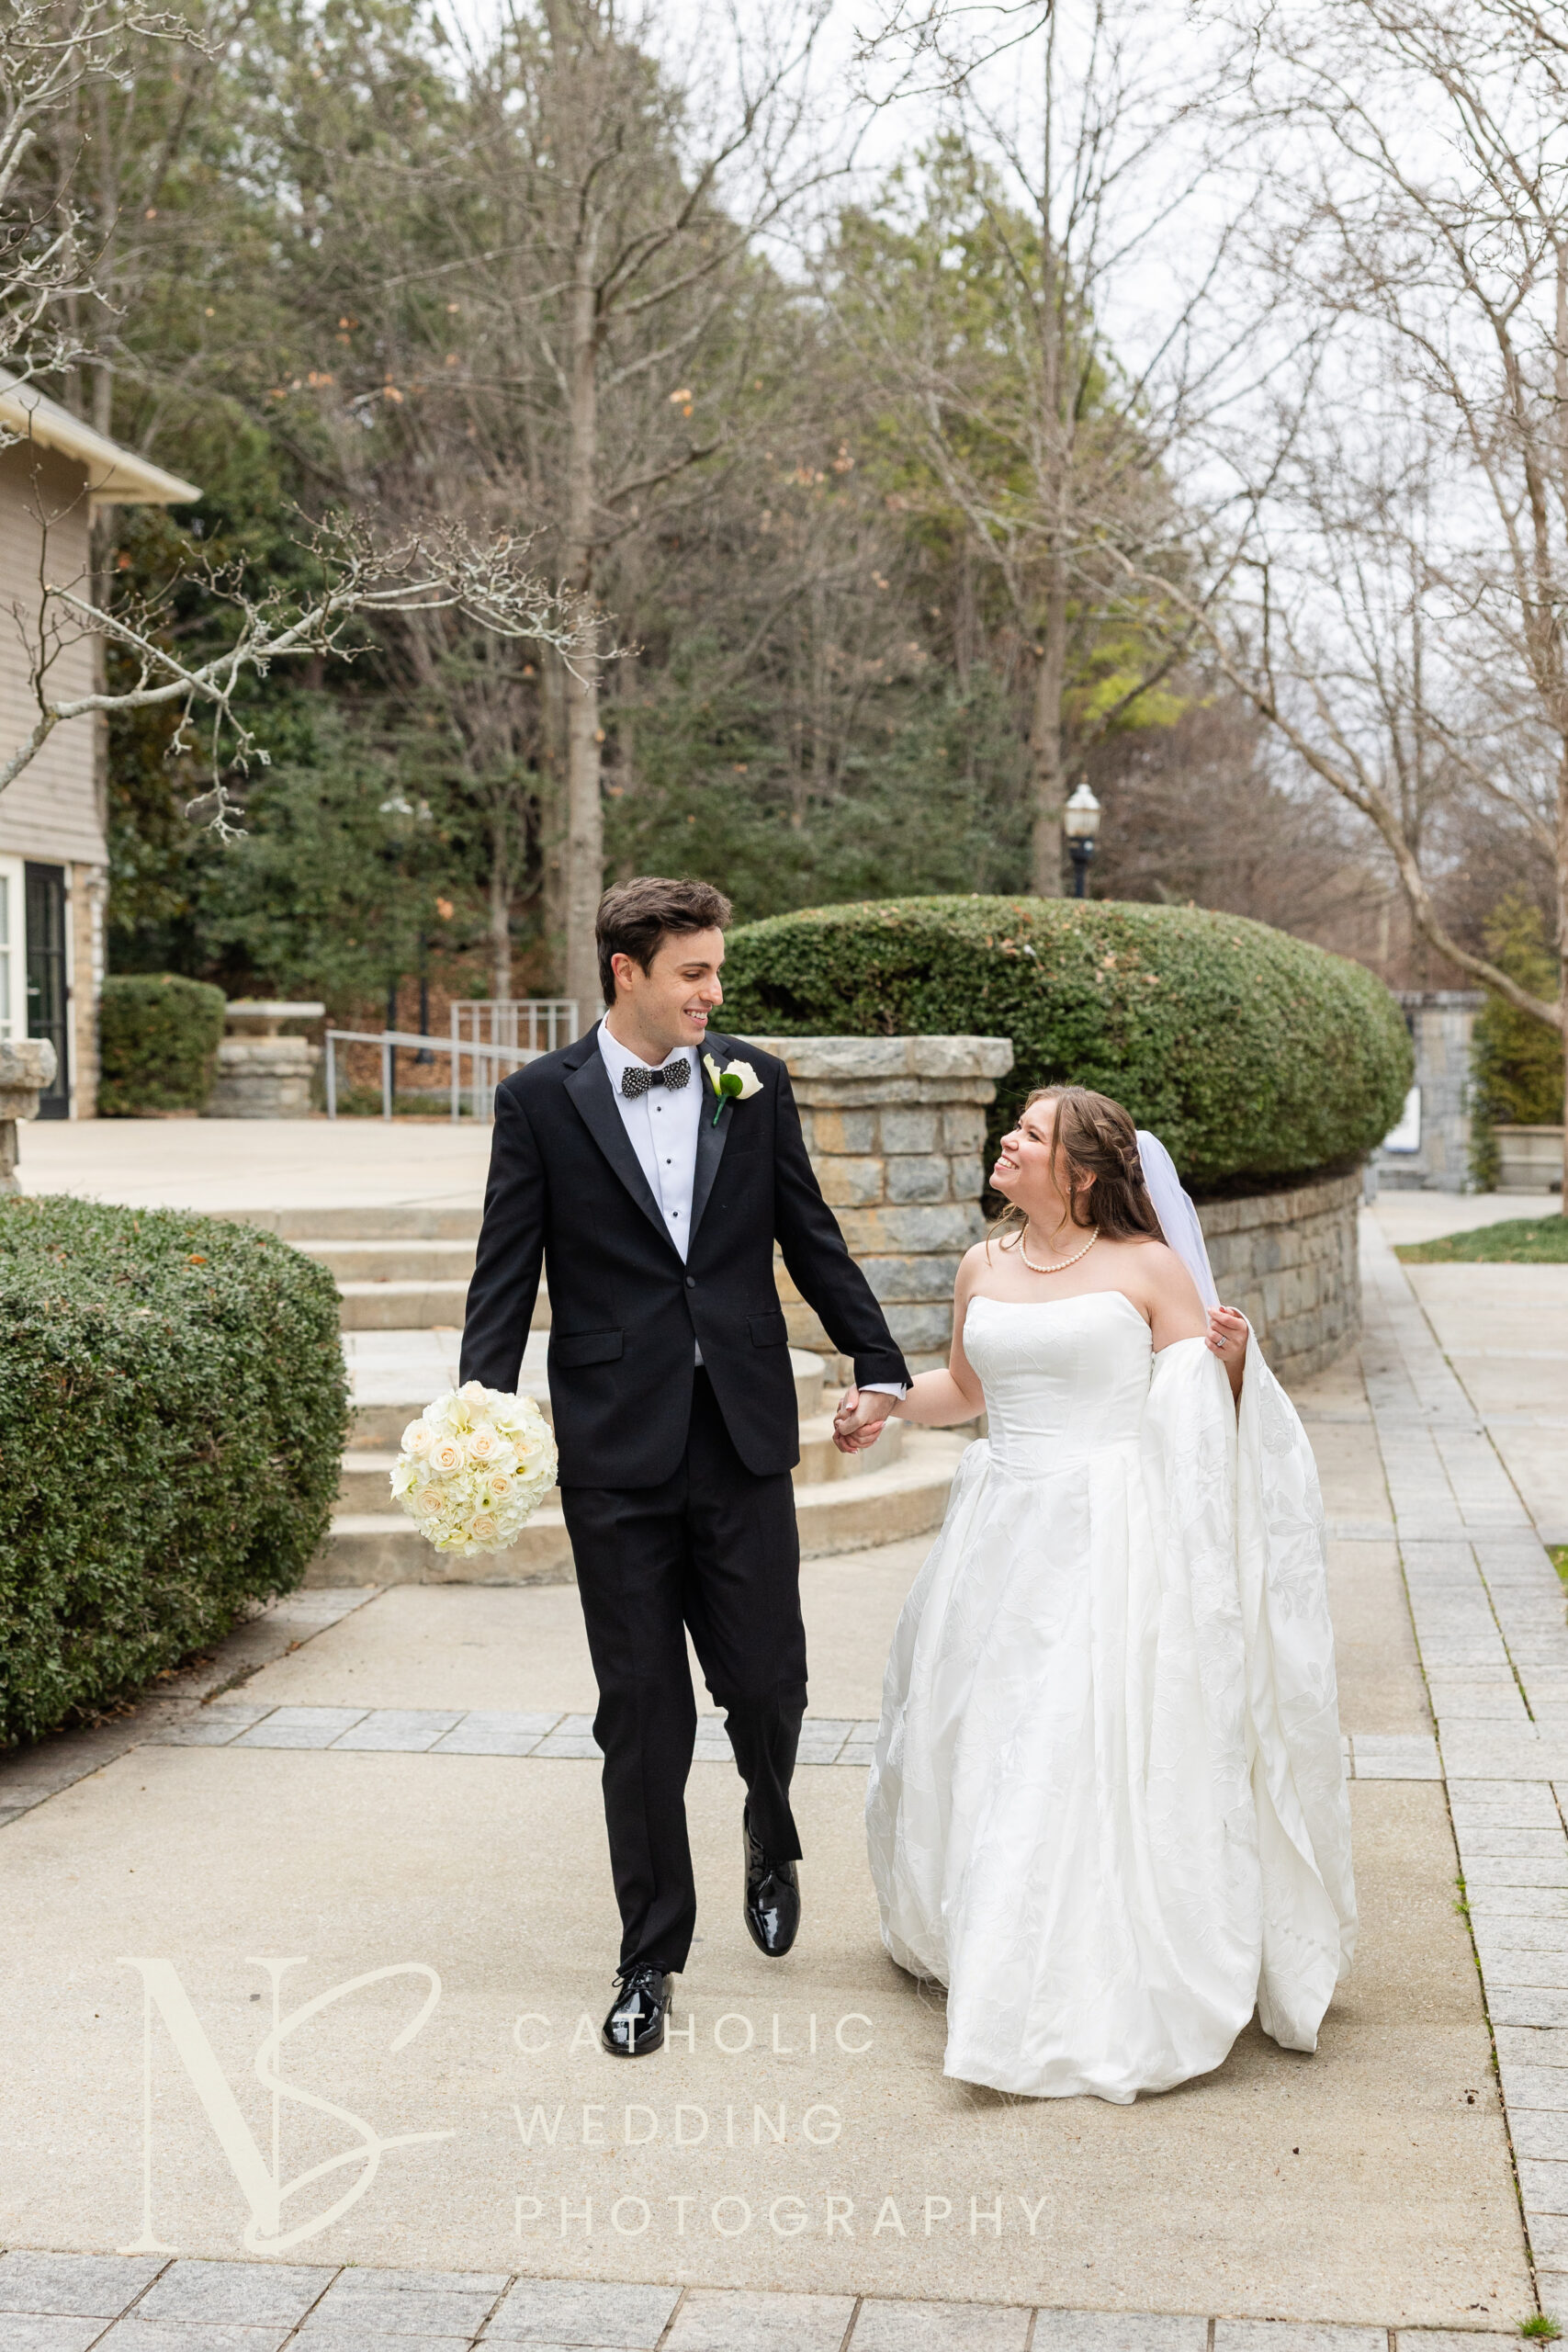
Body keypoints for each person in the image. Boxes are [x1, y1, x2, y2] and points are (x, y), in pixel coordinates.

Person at [458, 876, 910, 2059]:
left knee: (768, 1683)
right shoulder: (539, 1102)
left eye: (717, 970)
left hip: (742, 1428)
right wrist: (480, 1416)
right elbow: (506, 1271)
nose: (715, 991)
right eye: (694, 972)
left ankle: (770, 1816)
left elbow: (805, 1228)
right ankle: (650, 1954)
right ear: (627, 972)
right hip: (614, 1444)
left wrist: (878, 1356)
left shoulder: (749, 1080)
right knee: (642, 1715)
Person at [844, 1084, 1356, 2104]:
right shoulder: (982, 1264)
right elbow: (971, 1390)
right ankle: (991, 1930)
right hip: (997, 1537)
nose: (1008, 1139)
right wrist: (888, 1406)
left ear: (1078, 1171)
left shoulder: (1150, 1269)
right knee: (989, 1732)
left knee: (1068, 1742)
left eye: (1029, 1134)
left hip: (1112, 1539)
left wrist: (1240, 1360)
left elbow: (1206, 1414)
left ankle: (1063, 1973)